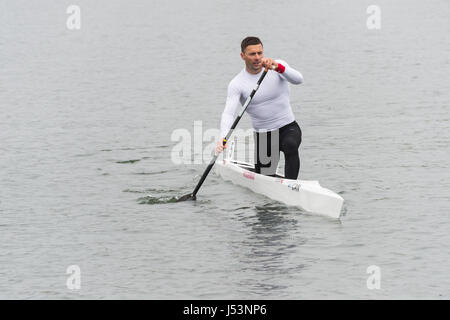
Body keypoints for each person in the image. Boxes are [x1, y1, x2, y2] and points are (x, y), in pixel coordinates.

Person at [216, 36, 304, 179]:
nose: (257, 57)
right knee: (265, 175)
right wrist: (223, 138)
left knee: (290, 145)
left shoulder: (277, 66)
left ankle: (292, 185)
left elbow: (299, 79)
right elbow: (228, 113)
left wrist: (278, 68)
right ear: (242, 56)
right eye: (252, 54)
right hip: (264, 135)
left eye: (260, 53)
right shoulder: (237, 83)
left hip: (288, 127)